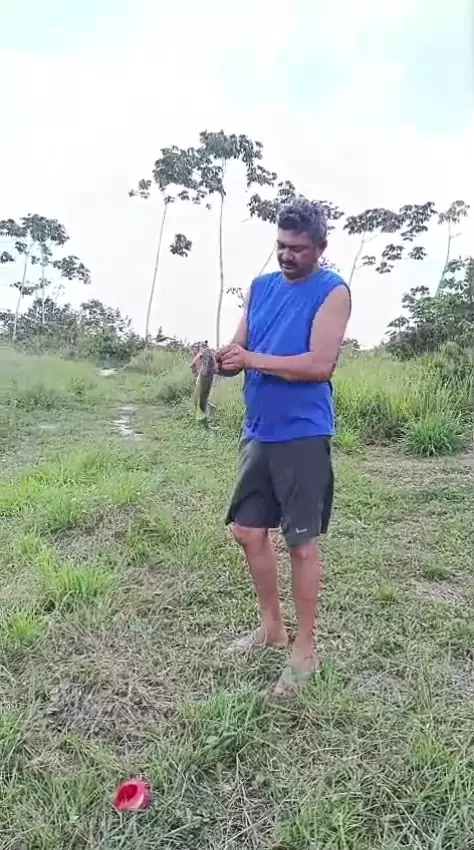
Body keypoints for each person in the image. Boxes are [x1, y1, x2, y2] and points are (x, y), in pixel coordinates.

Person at [191, 199, 351, 696]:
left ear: (319, 248)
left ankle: (305, 650)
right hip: (258, 429)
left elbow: (320, 365)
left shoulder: (333, 291)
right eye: (281, 245)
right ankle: (272, 628)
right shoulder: (260, 288)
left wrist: (252, 359)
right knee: (247, 530)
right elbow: (238, 350)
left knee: (301, 543)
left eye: (297, 248)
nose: (286, 255)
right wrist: (216, 360)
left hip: (303, 432)